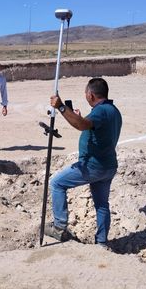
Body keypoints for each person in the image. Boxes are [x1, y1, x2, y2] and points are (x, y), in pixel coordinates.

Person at [45, 78, 122, 249]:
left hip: (93, 166)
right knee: (102, 205)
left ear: (91, 94)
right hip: (108, 166)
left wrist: (61, 107)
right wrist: (76, 117)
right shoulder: (113, 111)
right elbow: (88, 125)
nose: (86, 96)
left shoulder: (100, 111)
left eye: (86, 93)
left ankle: (59, 226)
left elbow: (81, 126)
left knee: (57, 183)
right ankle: (101, 242)